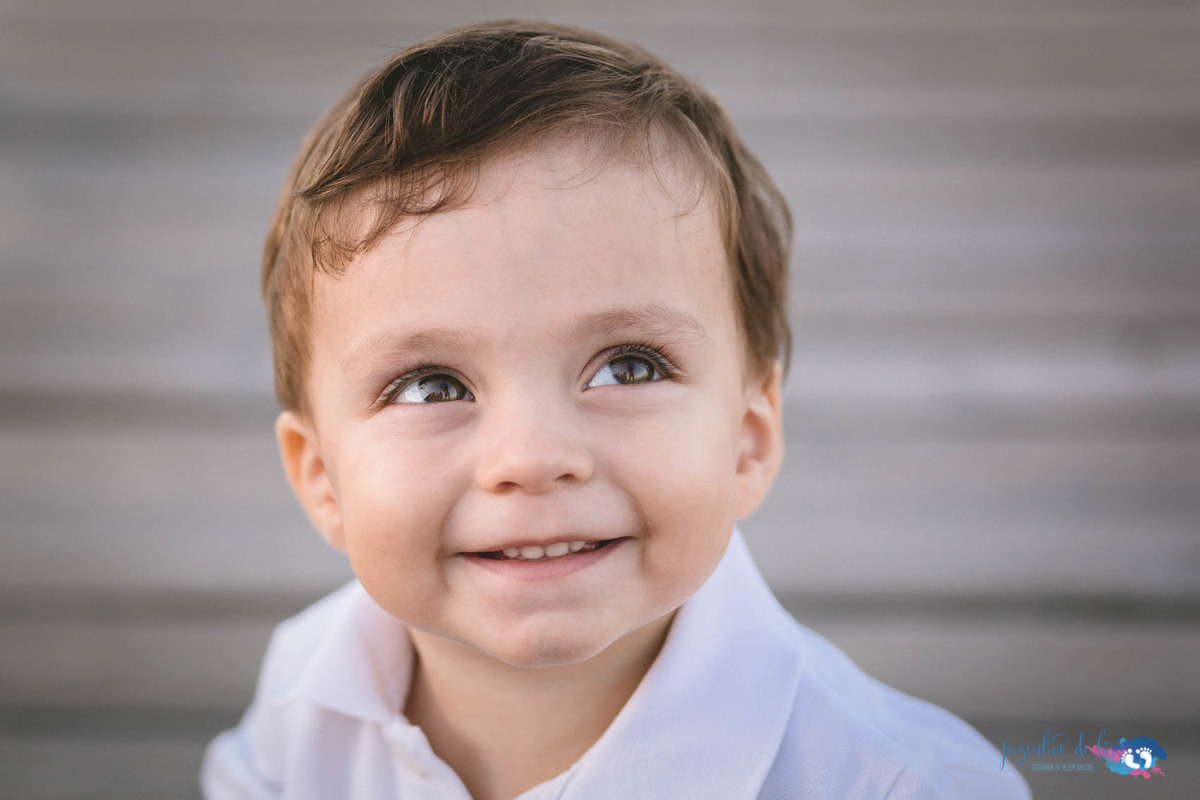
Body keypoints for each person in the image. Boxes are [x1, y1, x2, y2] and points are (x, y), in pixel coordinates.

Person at [202, 20, 1030, 800]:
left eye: (627, 367)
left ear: (747, 440)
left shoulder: (897, 784)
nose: (530, 456)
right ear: (321, 480)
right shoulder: (304, 703)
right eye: (432, 386)